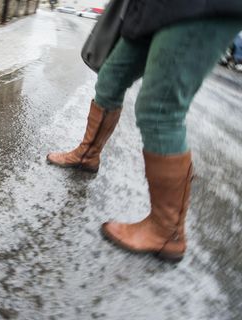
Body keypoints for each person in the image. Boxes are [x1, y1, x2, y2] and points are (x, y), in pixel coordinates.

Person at [47, 1, 242, 262]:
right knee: (109, 81)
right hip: (151, 11)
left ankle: (167, 232)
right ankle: (87, 154)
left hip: (201, 8)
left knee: (160, 109)